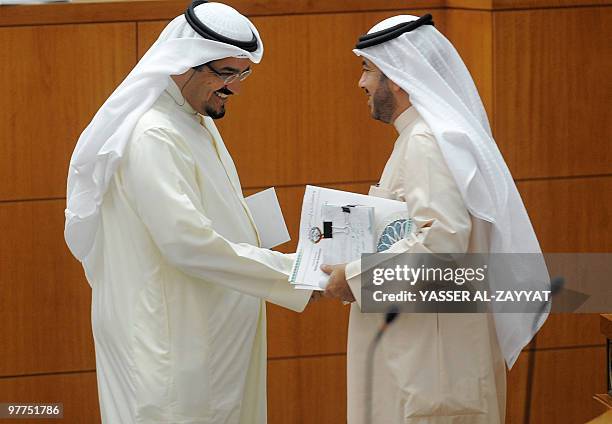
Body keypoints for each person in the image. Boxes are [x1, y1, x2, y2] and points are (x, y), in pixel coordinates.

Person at [63, 2, 311, 422]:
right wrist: (298, 273)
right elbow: (186, 242)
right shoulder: (152, 134)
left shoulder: (192, 119)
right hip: (173, 342)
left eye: (242, 73)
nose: (235, 87)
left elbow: (212, 210)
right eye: (225, 73)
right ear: (184, 64)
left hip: (211, 332)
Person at [322, 14, 548, 423]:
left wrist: (353, 279)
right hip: (422, 356)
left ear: (399, 78)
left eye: (367, 70)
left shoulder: (426, 141)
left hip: (430, 373)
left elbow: (441, 245)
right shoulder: (423, 137)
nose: (361, 84)